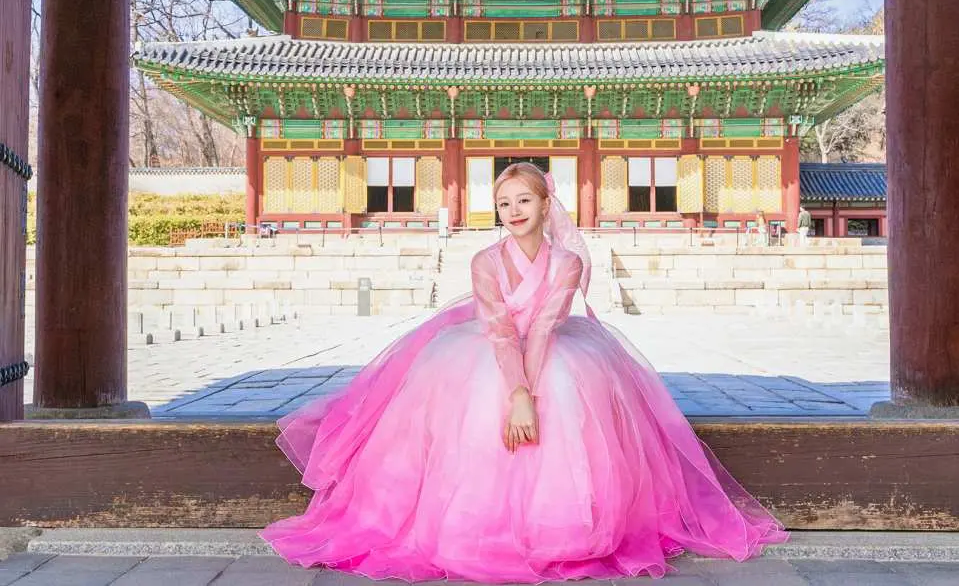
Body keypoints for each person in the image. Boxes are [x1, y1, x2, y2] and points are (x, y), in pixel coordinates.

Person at [260, 163, 788, 582]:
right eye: (503, 203)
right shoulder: (486, 262)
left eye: (524, 200)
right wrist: (513, 390)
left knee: (565, 393)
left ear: (545, 204)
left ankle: (560, 530)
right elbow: (499, 330)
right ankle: (467, 528)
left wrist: (526, 395)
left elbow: (540, 329)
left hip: (552, 346)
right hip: (490, 349)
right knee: (464, 403)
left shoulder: (567, 263)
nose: (513, 211)